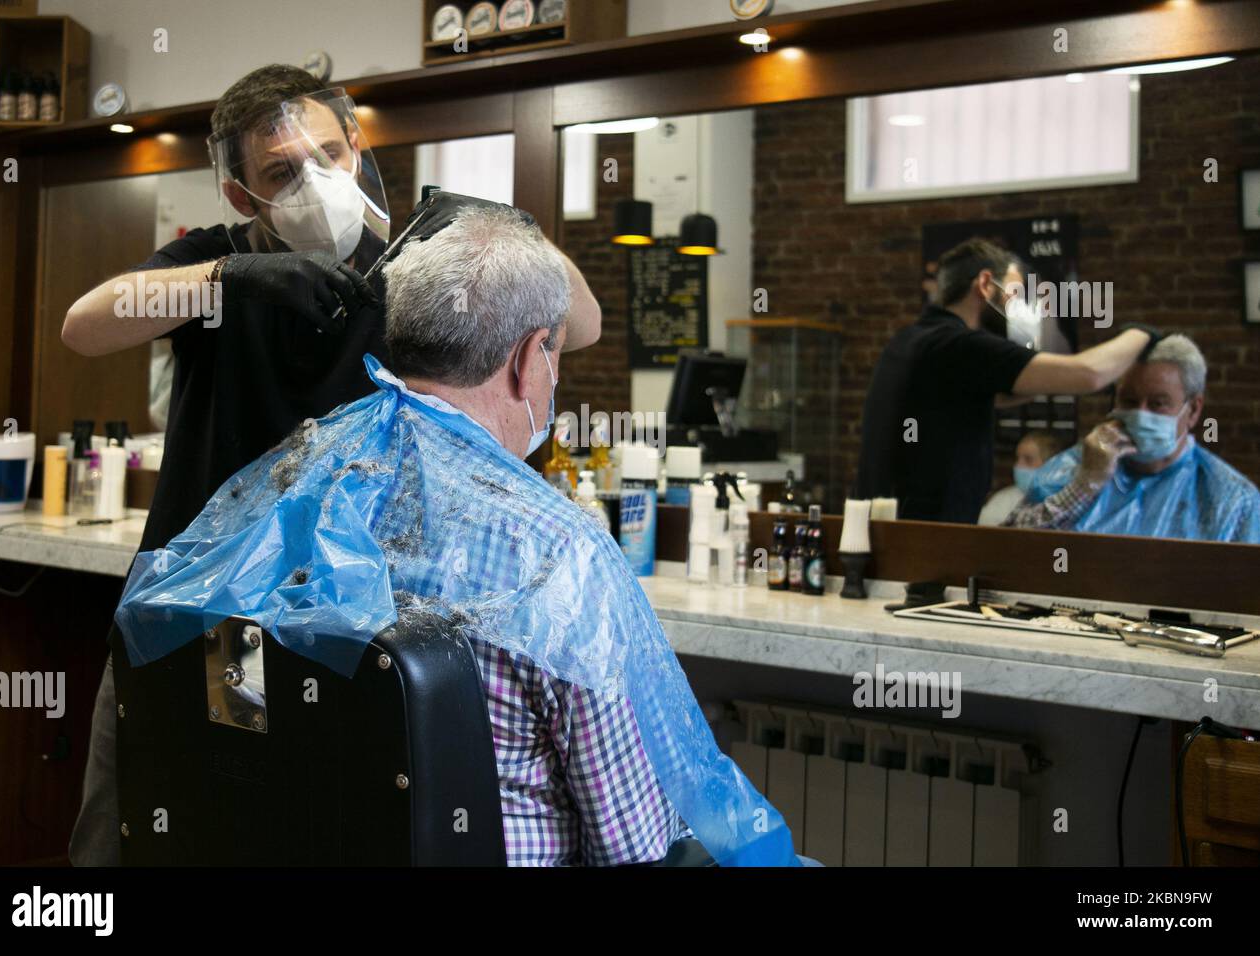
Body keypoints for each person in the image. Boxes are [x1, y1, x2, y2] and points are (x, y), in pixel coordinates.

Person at [114, 206, 800, 867]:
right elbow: (635, 841)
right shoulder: (555, 551)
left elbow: (247, 718)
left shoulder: (296, 493)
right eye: (554, 355)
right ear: (530, 358)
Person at [61, 64, 602, 866]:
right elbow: (85, 324)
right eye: (282, 172)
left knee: (293, 834)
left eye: (328, 155)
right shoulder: (217, 265)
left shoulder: (413, 271)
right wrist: (231, 280)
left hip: (348, 633)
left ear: (358, 148)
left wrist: (507, 232)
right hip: (209, 625)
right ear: (244, 197)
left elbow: (581, 324)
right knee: (152, 833)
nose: (314, 181)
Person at [855, 237, 1162, 523]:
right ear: (985, 284)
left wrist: (1044, 380)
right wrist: (1143, 334)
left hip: (884, 535)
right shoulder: (963, 345)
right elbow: (1089, 374)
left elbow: (989, 397)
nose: (1016, 309)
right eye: (1013, 294)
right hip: (928, 543)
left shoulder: (909, 342)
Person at [1005, 335, 1260, 542]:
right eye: (1129, 401)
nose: (1140, 414)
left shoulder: (1233, 500)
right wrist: (1085, 485)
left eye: (1158, 404)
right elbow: (1011, 547)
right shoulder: (1073, 469)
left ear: (1193, 410)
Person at [978, 431, 1064, 526]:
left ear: (1050, 465)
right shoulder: (1004, 499)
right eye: (1017, 458)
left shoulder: (1063, 501)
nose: (1018, 465)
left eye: (1028, 459)